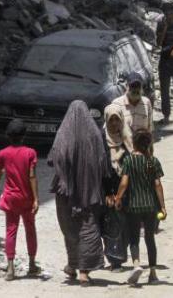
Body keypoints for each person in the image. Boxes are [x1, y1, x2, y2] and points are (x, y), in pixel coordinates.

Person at [48, 101, 110, 286]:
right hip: (90, 191)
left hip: (66, 192)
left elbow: (53, 158)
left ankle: (73, 265)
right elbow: (103, 162)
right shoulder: (95, 134)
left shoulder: (64, 133)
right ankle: (83, 271)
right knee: (88, 226)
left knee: (70, 229)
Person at [115, 129, 167, 286]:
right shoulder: (152, 161)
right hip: (151, 206)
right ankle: (153, 273)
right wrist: (163, 207)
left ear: (134, 143)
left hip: (133, 206)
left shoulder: (129, 160)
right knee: (150, 238)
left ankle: (136, 264)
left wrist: (118, 198)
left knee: (134, 238)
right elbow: (157, 184)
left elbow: (124, 183)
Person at [0, 120, 39, 281]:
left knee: (10, 230)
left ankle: (10, 269)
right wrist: (36, 199)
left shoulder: (2, 154)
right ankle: (32, 265)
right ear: (24, 135)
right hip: (26, 198)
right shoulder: (30, 153)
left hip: (11, 198)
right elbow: (32, 176)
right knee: (30, 229)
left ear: (8, 136)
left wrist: (4, 169)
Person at [102, 106, 132, 270]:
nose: (114, 123)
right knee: (110, 225)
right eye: (111, 119)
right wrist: (108, 193)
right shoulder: (101, 141)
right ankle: (114, 260)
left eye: (117, 119)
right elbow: (101, 168)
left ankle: (122, 254)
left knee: (125, 224)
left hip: (126, 190)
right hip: (108, 190)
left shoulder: (127, 140)